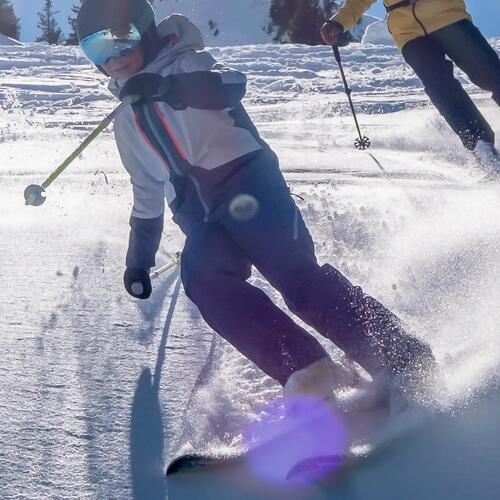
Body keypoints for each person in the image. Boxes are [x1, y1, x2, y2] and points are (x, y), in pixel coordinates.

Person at [77, 0, 434, 412]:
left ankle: (402, 357)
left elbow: (228, 86)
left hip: (251, 187)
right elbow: (146, 190)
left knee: (299, 283)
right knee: (203, 279)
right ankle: (306, 370)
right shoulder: (126, 120)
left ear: (147, 32)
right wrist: (137, 260)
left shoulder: (187, 63)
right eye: (98, 51)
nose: (115, 59)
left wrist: (165, 89)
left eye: (122, 42)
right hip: (203, 217)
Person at [321, 0, 500, 170]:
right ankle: (482, 149)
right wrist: (338, 22)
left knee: (490, 72)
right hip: (408, 33)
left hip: (447, 17)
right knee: (439, 87)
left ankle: (483, 148)